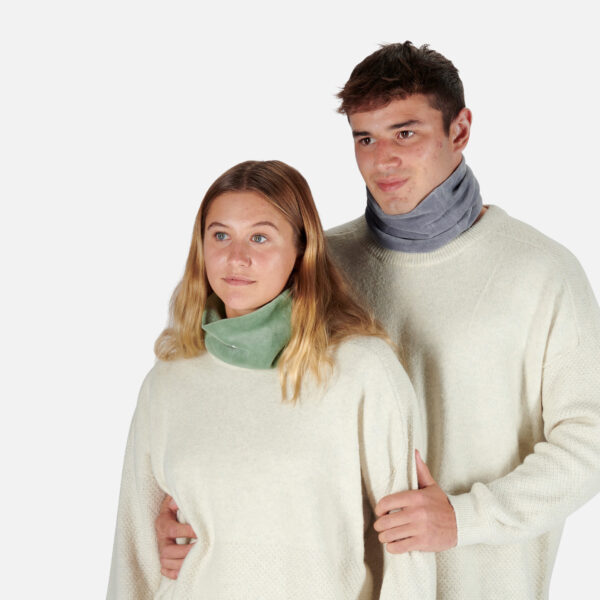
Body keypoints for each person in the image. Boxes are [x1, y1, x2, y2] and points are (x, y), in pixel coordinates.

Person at [155, 43, 600, 599]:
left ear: (460, 130)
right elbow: (245, 411)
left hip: (479, 582)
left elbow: (589, 443)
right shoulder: (316, 266)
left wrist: (465, 518)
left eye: (405, 133)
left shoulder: (541, 271)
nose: (381, 159)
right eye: (365, 138)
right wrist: (193, 520)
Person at [107, 159, 436, 598]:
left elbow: (407, 547)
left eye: (260, 237)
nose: (236, 257)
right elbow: (134, 547)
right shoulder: (169, 380)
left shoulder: (363, 370)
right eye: (220, 235)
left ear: (301, 250)